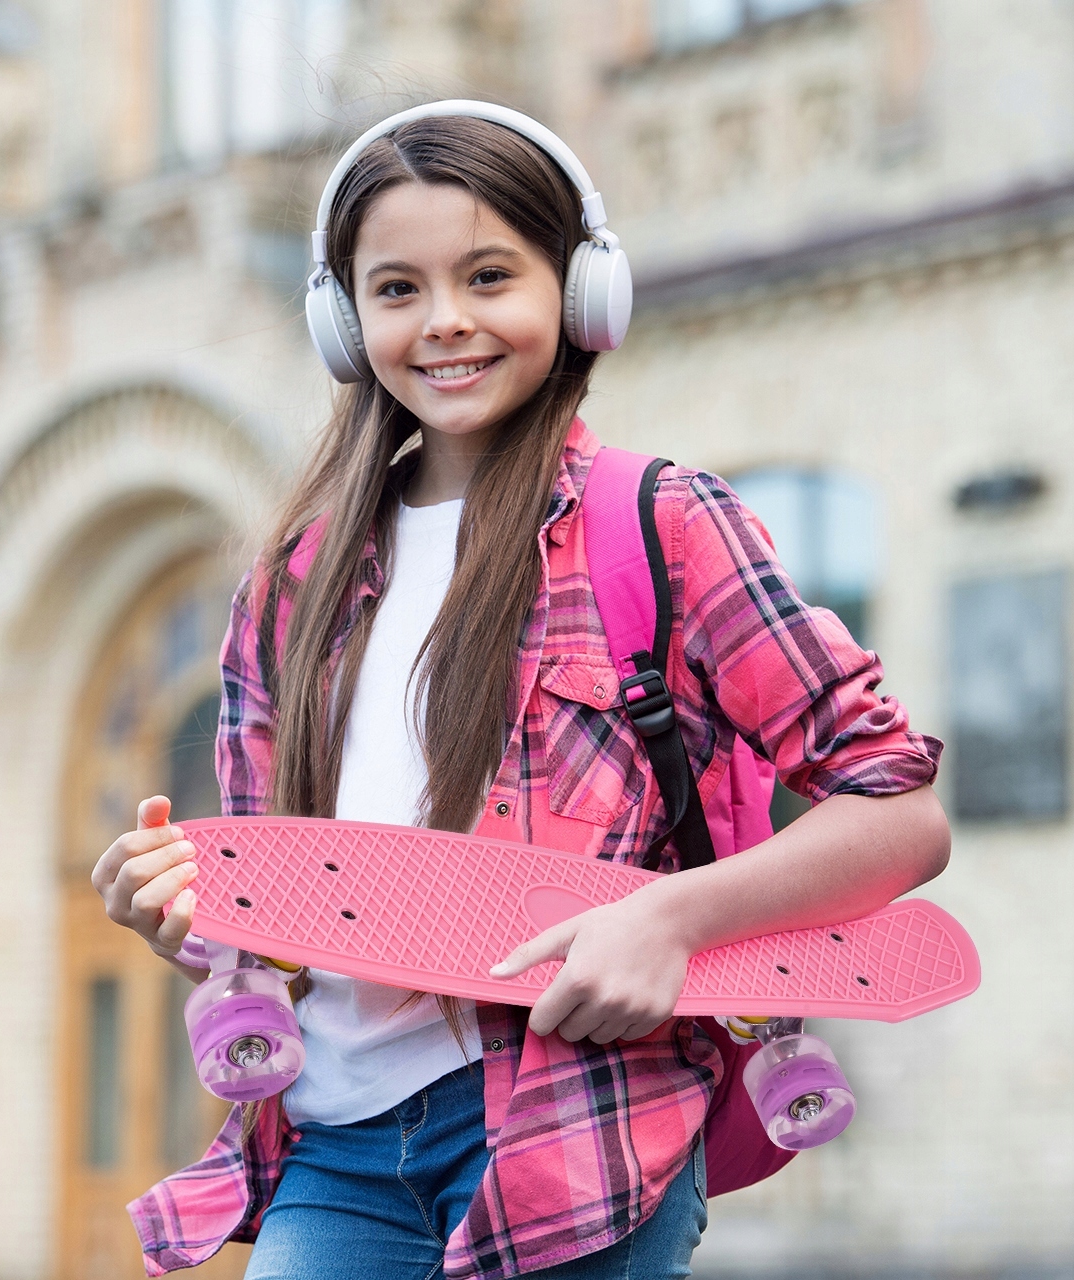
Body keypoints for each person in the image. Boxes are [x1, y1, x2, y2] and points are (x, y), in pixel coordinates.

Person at [92, 103, 949, 1280]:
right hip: (333, 1145)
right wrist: (187, 909)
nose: (444, 321)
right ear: (343, 323)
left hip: (574, 1137)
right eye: (395, 289)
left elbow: (899, 813)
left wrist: (671, 916)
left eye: (487, 275)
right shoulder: (285, 586)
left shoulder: (661, 523)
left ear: (578, 288)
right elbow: (293, 926)